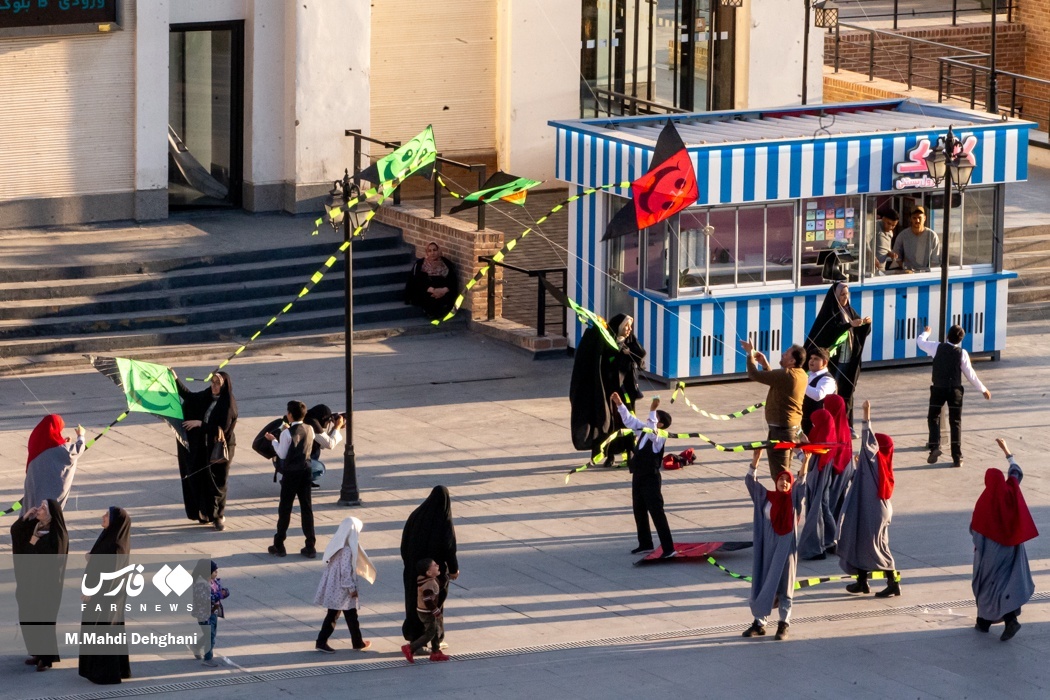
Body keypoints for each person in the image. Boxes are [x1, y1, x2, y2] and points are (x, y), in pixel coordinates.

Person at [970, 438, 1037, 641]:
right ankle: (1003, 621)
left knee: (989, 585)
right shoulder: (1011, 490)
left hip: (991, 551)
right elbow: (1016, 472)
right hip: (1011, 548)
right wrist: (1007, 452)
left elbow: (976, 531)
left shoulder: (985, 501)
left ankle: (986, 622)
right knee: (1006, 583)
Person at [742, 448, 809, 641]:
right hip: (767, 548)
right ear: (776, 481)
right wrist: (755, 460)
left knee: (785, 585)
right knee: (764, 582)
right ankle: (759, 623)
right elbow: (751, 483)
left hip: (785, 548)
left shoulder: (793, 500)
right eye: (781, 479)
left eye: (788, 480)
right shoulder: (766, 497)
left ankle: (783, 623)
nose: (784, 482)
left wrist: (805, 462)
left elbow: (802, 484)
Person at [837, 401, 900, 597]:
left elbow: (867, 439)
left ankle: (893, 582)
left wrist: (866, 413)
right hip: (875, 508)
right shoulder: (879, 464)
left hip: (874, 510)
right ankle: (862, 581)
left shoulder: (874, 459)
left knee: (876, 546)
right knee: (860, 541)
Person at [917, 324, 991, 468]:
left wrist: (926, 333)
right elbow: (970, 374)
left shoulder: (937, 347)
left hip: (938, 388)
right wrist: (983, 389)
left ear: (947, 335)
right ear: (961, 340)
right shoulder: (962, 353)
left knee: (933, 417)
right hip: (955, 391)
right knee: (955, 422)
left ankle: (935, 446)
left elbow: (920, 343)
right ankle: (957, 457)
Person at [612, 392, 676, 559]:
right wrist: (619, 404)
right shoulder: (643, 431)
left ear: (660, 424)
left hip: (651, 479)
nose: (649, 419)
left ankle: (668, 548)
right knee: (639, 509)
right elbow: (630, 421)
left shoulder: (659, 437)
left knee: (656, 511)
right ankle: (645, 543)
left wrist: (653, 409)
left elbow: (652, 430)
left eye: (654, 417)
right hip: (638, 476)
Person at [805, 282, 871, 434]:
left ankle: (847, 425)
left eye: (847, 294)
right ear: (835, 296)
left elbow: (861, 332)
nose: (845, 297)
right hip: (834, 362)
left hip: (849, 359)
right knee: (833, 394)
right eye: (842, 294)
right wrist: (849, 325)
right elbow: (827, 334)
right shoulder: (830, 314)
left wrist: (865, 324)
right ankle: (831, 424)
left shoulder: (850, 311)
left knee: (847, 392)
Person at [175, 370, 238, 529]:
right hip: (208, 445)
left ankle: (219, 516)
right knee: (205, 479)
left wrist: (200, 424)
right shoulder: (208, 395)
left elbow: (222, 429)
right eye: (212, 382)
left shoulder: (228, 403)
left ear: (224, 385)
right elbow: (190, 397)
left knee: (218, 482)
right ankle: (207, 513)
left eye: (218, 383)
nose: (214, 386)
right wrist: (175, 379)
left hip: (222, 447)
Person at [11, 499, 68, 672]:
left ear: (50, 514)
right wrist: (25, 517)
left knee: (44, 621)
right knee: (29, 618)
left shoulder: (56, 534)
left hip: (46, 587)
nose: (39, 509)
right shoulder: (35, 527)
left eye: (43, 507)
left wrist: (34, 543)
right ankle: (36, 652)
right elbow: (16, 533)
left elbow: (50, 560)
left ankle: (46, 658)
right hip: (30, 584)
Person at [79, 507, 132, 685]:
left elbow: (109, 575)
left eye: (107, 515)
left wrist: (91, 591)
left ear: (115, 521)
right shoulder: (110, 537)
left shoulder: (116, 546)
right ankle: (115, 669)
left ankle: (104, 674)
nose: (103, 516)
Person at [400, 486, 459, 645]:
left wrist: (411, 565)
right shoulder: (443, 519)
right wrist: (453, 569)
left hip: (413, 569)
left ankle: (415, 637)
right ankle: (435, 640)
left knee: (414, 602)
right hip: (434, 572)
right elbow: (449, 547)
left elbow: (404, 543)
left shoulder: (416, 515)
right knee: (434, 604)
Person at [741, 340, 807, 481]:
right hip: (790, 428)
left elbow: (753, 375)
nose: (782, 354)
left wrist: (750, 354)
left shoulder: (788, 375)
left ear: (792, 361)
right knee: (784, 471)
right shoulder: (800, 374)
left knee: (780, 476)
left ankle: (788, 494)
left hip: (781, 431)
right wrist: (765, 365)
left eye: (786, 354)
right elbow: (776, 380)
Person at [315, 517, 377, 653]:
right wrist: (351, 588)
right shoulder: (347, 550)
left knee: (347, 615)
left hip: (334, 586)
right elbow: (345, 571)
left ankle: (357, 642)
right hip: (342, 589)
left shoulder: (337, 544)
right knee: (338, 615)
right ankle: (322, 642)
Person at [267, 400, 317, 558]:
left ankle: (279, 544)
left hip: (291, 473)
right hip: (306, 470)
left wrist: (273, 440)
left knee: (285, 508)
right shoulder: (310, 429)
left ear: (289, 415)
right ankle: (310, 545)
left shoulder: (286, 433)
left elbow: (282, 454)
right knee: (306, 507)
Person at [797, 408, 837, 561]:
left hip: (817, 481)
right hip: (824, 480)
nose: (813, 427)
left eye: (815, 424)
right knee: (824, 508)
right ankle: (832, 540)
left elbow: (812, 463)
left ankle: (815, 548)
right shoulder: (829, 436)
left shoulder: (822, 444)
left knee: (816, 511)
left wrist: (800, 452)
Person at [23, 414, 85, 511]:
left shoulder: (35, 439)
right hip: (50, 490)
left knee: (32, 507)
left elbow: (50, 449)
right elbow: (77, 450)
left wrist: (63, 442)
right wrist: (81, 435)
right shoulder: (62, 449)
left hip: (34, 484)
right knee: (46, 511)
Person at [401, 558, 450, 663]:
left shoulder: (428, 580)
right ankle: (410, 648)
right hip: (427, 613)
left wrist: (445, 579)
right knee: (430, 632)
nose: (438, 565)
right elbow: (427, 600)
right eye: (435, 565)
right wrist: (435, 610)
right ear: (429, 573)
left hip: (425, 611)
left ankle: (436, 652)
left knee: (435, 630)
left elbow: (437, 588)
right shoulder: (428, 585)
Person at [404, 241, 458, 319]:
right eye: (429, 251)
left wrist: (443, 290)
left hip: (443, 291)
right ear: (427, 252)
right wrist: (433, 290)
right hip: (427, 290)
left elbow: (452, 280)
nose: (432, 253)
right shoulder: (420, 264)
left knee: (446, 298)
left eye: (434, 250)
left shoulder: (446, 263)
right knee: (429, 298)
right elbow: (417, 281)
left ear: (438, 250)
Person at [197, 561, 230, 667]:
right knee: (210, 636)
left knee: (211, 634)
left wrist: (224, 593)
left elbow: (220, 591)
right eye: (214, 571)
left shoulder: (214, 582)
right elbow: (208, 598)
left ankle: (196, 646)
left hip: (214, 612)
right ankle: (208, 658)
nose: (216, 573)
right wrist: (219, 595)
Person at [304, 404, 345, 488]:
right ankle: (303, 480)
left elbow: (322, 443)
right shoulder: (312, 424)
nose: (328, 422)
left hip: (290, 460)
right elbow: (329, 444)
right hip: (300, 462)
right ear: (322, 418)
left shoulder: (308, 419)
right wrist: (337, 427)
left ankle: (303, 480)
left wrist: (335, 428)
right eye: (328, 419)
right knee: (319, 469)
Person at [800, 347, 837, 436]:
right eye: (811, 358)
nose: (811, 361)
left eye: (816, 359)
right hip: (804, 421)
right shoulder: (809, 374)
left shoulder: (827, 379)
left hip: (818, 425)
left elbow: (818, 395)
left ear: (824, 363)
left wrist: (800, 384)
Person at [892, 206, 941, 271]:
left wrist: (929, 272)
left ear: (924, 218)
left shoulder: (932, 236)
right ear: (910, 219)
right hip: (907, 273)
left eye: (919, 218)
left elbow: (935, 260)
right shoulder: (902, 235)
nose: (917, 220)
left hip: (926, 273)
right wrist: (905, 268)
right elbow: (896, 257)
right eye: (914, 218)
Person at [871, 208, 901, 274]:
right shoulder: (874, 226)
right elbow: (865, 244)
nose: (890, 227)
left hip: (881, 268)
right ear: (883, 219)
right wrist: (872, 258)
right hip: (869, 267)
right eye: (888, 223)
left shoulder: (890, 233)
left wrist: (891, 254)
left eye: (893, 225)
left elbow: (885, 250)